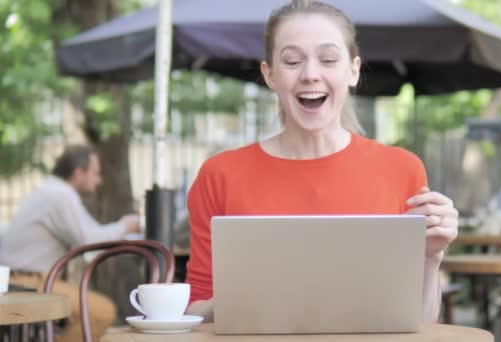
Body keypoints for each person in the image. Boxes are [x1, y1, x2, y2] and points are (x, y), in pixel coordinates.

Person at [185, 0, 458, 323]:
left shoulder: (402, 170)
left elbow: (420, 322)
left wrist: (432, 257)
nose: (310, 74)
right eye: (292, 61)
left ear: (353, 70)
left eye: (328, 59)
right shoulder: (220, 175)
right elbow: (194, 309)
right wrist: (244, 298)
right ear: (269, 74)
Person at [0, 144, 140, 342]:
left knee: (93, 311)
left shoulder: (54, 191)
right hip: (28, 282)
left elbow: (92, 234)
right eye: (95, 173)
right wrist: (125, 226)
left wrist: (124, 230)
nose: (98, 181)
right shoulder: (60, 195)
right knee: (102, 311)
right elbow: (87, 240)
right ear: (78, 173)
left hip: (25, 279)